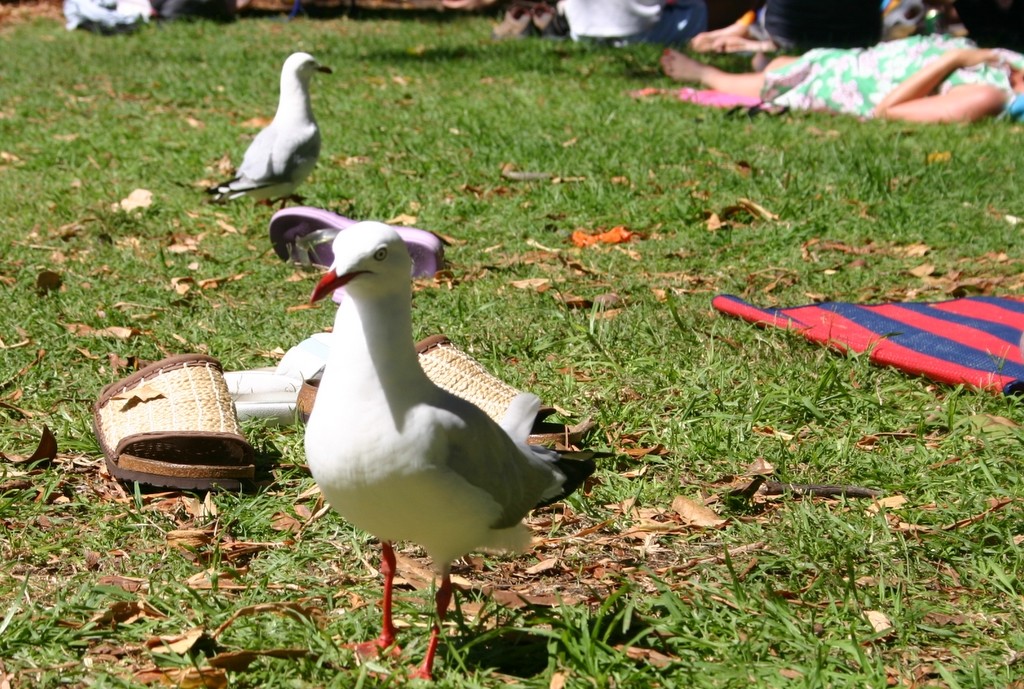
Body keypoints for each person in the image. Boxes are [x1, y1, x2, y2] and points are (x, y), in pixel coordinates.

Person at [660, 34, 1024, 123]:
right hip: (852, 60)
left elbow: (889, 110)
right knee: (783, 63)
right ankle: (755, 50)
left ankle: (707, 72)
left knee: (772, 78)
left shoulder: (990, 96)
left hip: (844, 85)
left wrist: (955, 58)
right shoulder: (1012, 65)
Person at [690, 0, 882, 55]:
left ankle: (765, 44)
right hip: (863, 36)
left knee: (763, 63)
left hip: (789, 34)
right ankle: (755, 35)